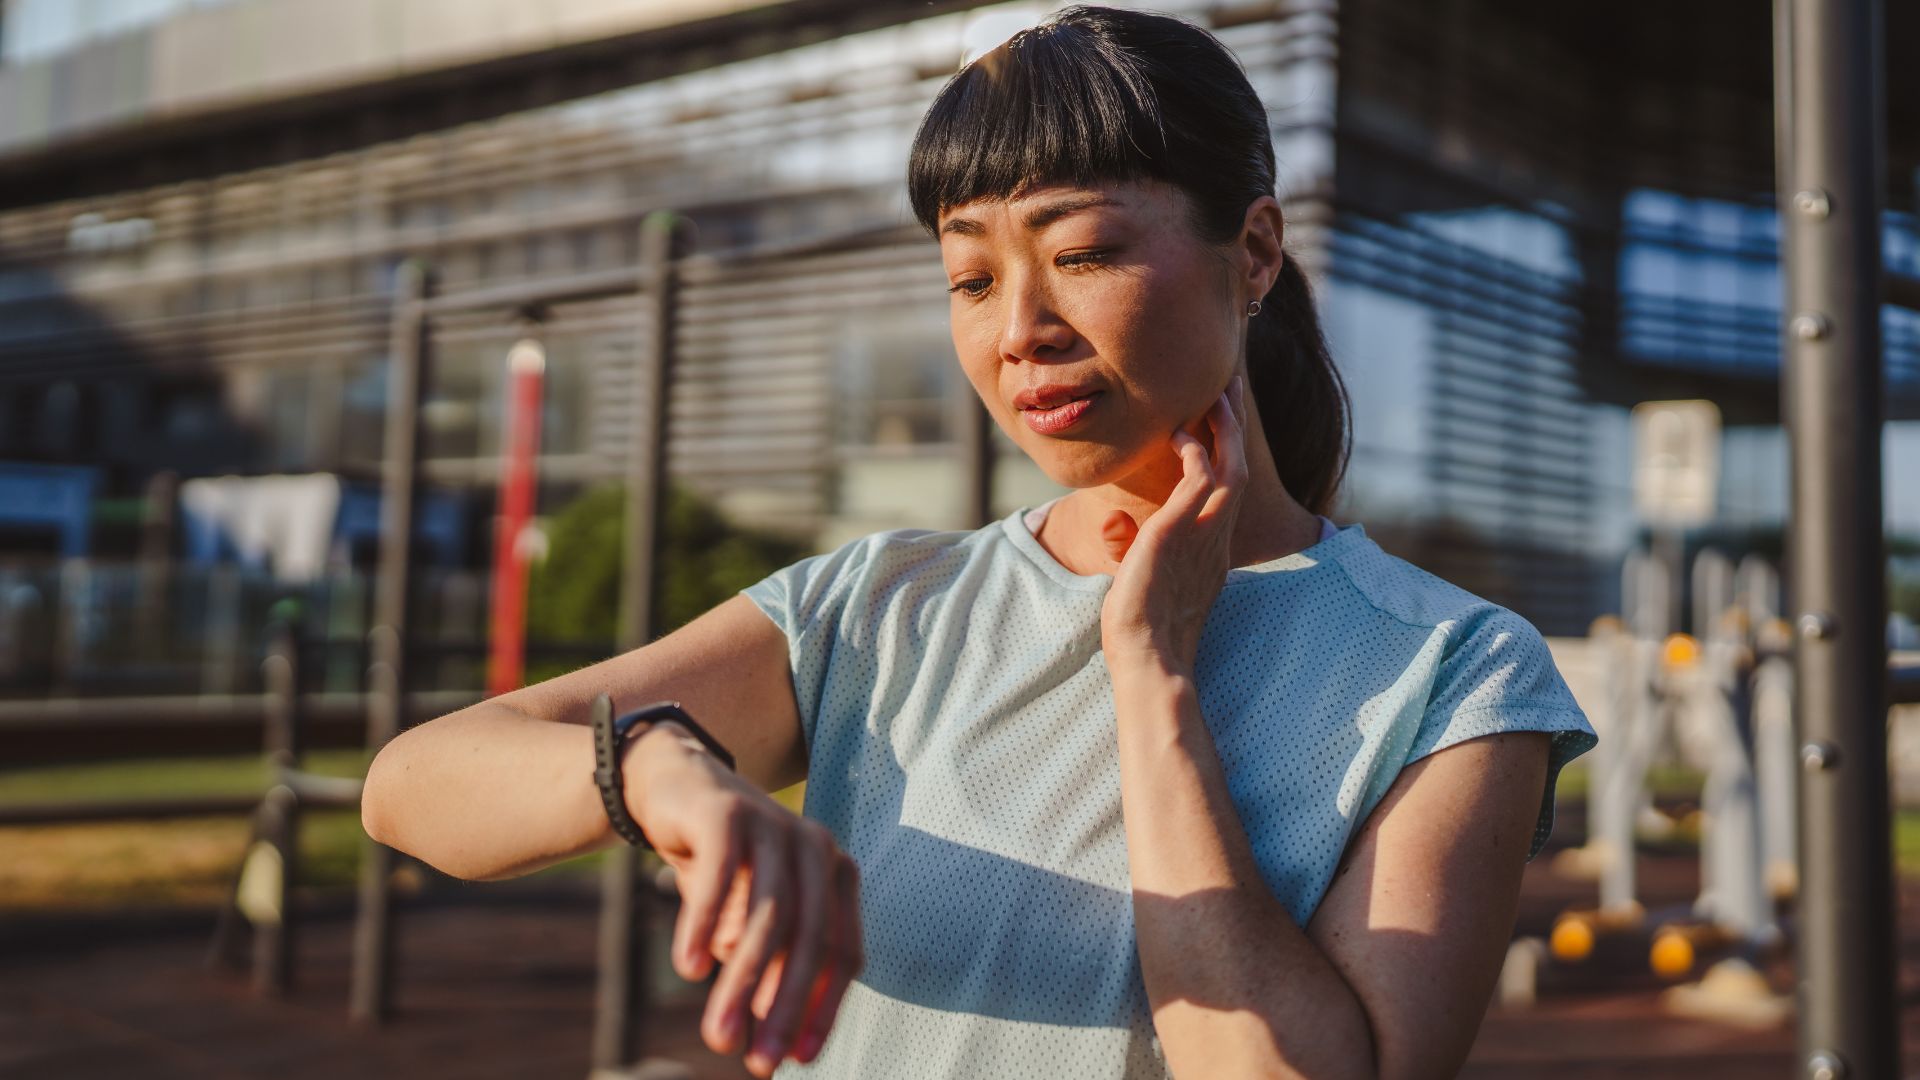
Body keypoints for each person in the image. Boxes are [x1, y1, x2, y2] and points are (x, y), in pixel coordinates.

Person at [360, 7, 1598, 1078]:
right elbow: (410, 787)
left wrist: (1152, 675)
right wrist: (664, 769)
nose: (1020, 329)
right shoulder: (879, 606)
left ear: (1255, 251)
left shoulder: (1456, 674)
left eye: (1084, 253)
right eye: (969, 278)